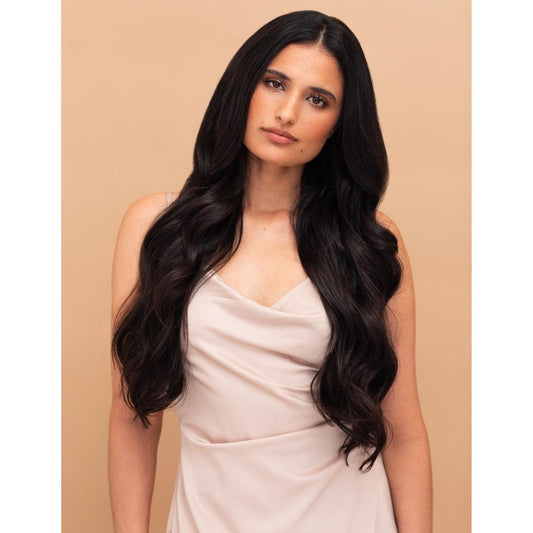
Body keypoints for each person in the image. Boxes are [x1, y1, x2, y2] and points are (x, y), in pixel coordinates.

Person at [108, 10, 432, 533]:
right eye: (274, 83)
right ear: (243, 85)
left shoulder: (368, 243)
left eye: (317, 99)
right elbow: (132, 416)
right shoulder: (156, 227)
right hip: (209, 519)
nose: (287, 112)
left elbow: (404, 430)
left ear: (339, 123)